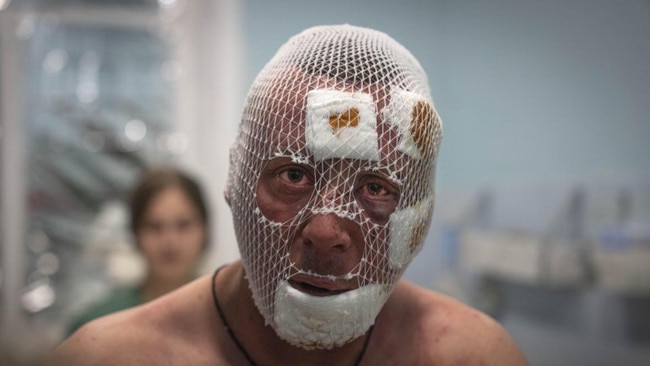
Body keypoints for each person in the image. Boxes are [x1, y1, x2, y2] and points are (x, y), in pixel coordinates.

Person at [49, 24, 527, 365]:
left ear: (420, 213)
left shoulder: (472, 356)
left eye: (376, 188)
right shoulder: (108, 357)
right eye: (293, 177)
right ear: (236, 179)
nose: (326, 232)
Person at [66, 167, 210, 335]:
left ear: (205, 231)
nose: (170, 241)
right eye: (154, 227)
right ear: (135, 234)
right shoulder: (96, 326)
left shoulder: (232, 318)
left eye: (183, 225)